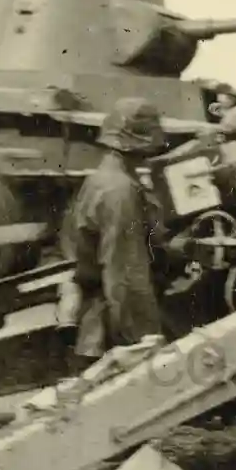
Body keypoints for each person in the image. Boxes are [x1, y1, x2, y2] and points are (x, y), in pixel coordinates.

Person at [60, 96, 169, 367]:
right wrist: (145, 342)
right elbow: (125, 273)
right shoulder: (120, 191)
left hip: (98, 312)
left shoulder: (103, 178)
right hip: (109, 328)